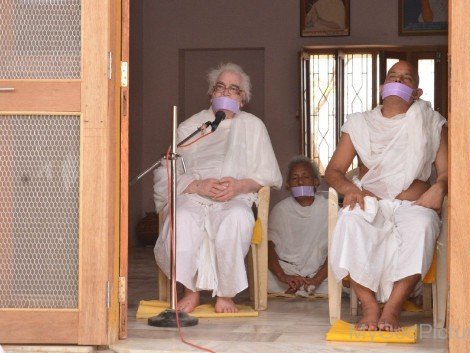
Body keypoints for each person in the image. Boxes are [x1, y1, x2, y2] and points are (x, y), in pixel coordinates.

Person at [325, 61, 448, 331]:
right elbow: (333, 172)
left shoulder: (431, 121)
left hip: (414, 204)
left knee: (424, 225)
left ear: (416, 91)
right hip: (372, 202)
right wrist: (351, 190)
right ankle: (369, 307)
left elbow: (446, 172)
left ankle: (392, 309)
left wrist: (439, 187)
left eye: (406, 79)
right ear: (382, 87)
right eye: (393, 76)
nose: (398, 81)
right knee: (350, 222)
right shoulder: (360, 124)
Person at [152, 63, 282, 313]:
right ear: (211, 93)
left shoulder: (253, 126)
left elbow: (268, 175)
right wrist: (197, 185)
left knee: (236, 217)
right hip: (195, 195)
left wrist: (240, 185)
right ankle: (190, 292)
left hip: (235, 196)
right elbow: (166, 171)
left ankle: (225, 294)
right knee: (183, 218)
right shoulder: (191, 127)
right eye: (220, 87)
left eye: (234, 89)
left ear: (242, 100)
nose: (225, 93)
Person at [267, 156, 328, 297]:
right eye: (294, 178)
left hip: (320, 272)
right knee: (264, 275)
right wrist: (283, 276)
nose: (300, 182)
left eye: (305, 177)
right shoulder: (281, 209)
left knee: (340, 270)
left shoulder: (328, 208)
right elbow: (268, 247)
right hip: (287, 270)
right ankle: (299, 284)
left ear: (315, 181)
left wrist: (317, 278)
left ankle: (312, 284)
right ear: (288, 185)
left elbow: (338, 249)